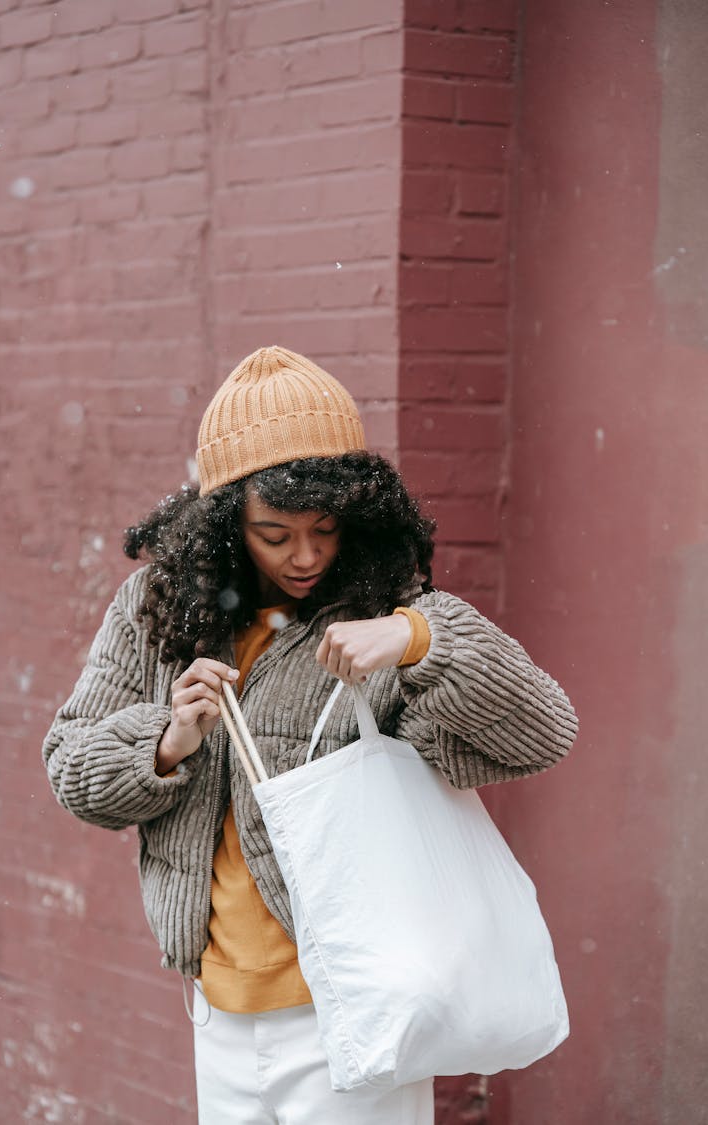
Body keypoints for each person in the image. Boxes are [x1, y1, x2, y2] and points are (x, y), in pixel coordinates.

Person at [43, 345, 578, 1124]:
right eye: (274, 532)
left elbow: (543, 731)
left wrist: (418, 637)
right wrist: (167, 738)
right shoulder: (154, 608)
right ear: (225, 522)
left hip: (356, 1007)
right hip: (218, 1012)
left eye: (325, 528)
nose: (305, 555)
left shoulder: (384, 608)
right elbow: (70, 770)